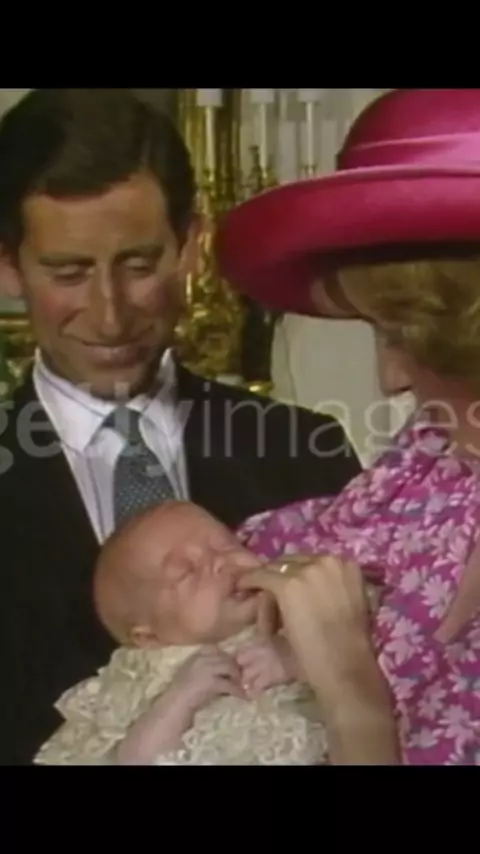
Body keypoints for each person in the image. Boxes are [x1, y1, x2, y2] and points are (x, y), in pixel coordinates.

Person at [0, 89, 360, 765]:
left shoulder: (305, 453)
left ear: (191, 245)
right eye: (68, 273)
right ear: (7, 264)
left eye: (139, 266)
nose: (110, 315)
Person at [214, 88, 480, 765]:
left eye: (400, 336)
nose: (389, 380)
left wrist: (352, 695)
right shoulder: (433, 458)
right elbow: (293, 550)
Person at [34, 501, 329, 765]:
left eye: (227, 545)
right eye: (186, 571)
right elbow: (134, 759)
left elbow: (350, 663)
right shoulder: (141, 677)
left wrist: (297, 660)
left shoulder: (295, 603)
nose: (221, 563)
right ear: (148, 637)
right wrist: (179, 699)